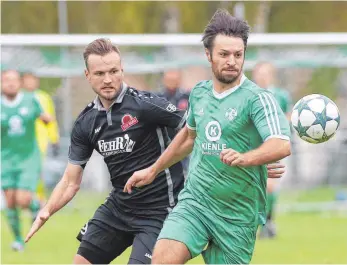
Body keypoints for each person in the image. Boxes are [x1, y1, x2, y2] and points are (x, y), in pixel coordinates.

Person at [25, 38, 285, 264]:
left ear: (122, 70)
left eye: (114, 71)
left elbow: (200, 132)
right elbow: (71, 181)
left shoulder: (146, 105)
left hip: (161, 210)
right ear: (87, 75)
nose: (108, 79)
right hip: (118, 208)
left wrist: (255, 157)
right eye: (100, 73)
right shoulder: (86, 122)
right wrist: (47, 209)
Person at [124, 9, 291, 264]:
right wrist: (153, 170)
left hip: (237, 216)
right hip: (195, 203)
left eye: (238, 54)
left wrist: (248, 158)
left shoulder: (258, 99)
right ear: (208, 55)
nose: (231, 61)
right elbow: (188, 137)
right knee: (160, 260)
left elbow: (280, 144)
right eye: (224, 54)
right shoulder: (200, 93)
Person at [1, 70, 51, 251]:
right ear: (1, 84)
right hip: (6, 160)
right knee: (10, 201)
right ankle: (18, 240)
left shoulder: (30, 100)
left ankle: (35, 204)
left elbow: (45, 117)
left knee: (22, 199)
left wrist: (47, 119)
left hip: (28, 157)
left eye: (14, 80)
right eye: (6, 80)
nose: (11, 84)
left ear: (20, 83)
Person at [252, 61, 292, 238]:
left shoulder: (281, 95)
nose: (262, 77)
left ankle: (267, 222)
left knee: (270, 186)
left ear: (271, 75)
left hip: (273, 146)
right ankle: (257, 222)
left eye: (266, 73)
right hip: (252, 146)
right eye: (260, 73)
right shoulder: (248, 94)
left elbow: (289, 116)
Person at [22, 72, 60, 206]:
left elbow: (51, 119)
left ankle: (38, 199)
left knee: (37, 171)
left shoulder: (43, 97)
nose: (30, 83)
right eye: (27, 80)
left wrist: (54, 138)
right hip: (21, 142)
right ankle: (26, 199)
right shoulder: (19, 97)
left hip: (40, 141)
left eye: (32, 80)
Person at [157, 69, 190, 174]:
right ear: (164, 80)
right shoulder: (158, 97)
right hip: (165, 141)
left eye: (174, 79)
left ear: (179, 80)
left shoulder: (187, 96)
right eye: (169, 79)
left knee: (186, 170)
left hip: (184, 141)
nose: (172, 82)